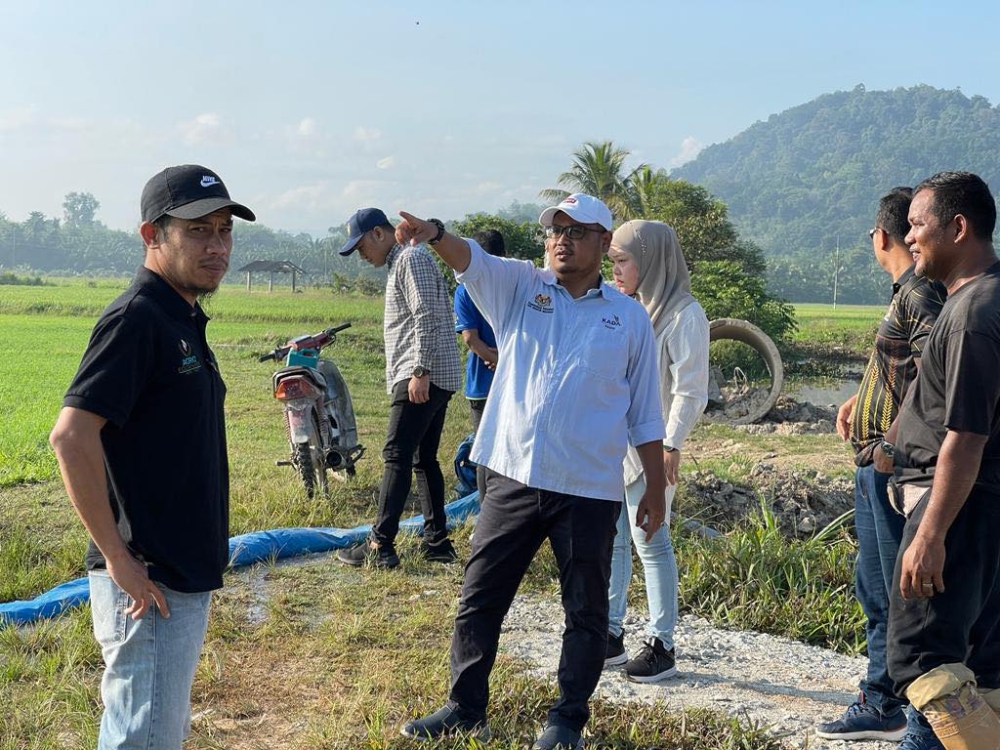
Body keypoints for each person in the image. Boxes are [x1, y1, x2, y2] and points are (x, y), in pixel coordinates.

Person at [396, 194, 667, 750]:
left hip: (589, 488)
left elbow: (644, 412)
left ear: (601, 243)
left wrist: (656, 488)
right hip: (513, 475)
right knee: (481, 595)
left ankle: (566, 721)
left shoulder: (629, 319)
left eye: (575, 231)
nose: (561, 240)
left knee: (586, 611)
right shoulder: (522, 287)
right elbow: (471, 259)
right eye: (554, 231)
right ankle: (465, 706)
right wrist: (436, 233)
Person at [48, 164, 255, 748]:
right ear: (152, 236)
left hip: (178, 572)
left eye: (223, 230)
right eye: (197, 231)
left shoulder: (181, 315)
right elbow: (71, 436)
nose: (216, 245)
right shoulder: (137, 318)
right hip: (149, 579)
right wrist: (119, 558)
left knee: (154, 727)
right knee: (144, 734)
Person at [817, 188, 946, 749]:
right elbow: (894, 368)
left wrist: (889, 444)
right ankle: (885, 694)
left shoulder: (921, 295)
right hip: (875, 465)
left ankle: (902, 701)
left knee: (896, 590)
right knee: (875, 585)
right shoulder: (906, 292)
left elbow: (929, 377)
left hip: (892, 469)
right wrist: (858, 400)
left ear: (880, 236)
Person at [887, 171, 1000, 749]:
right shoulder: (987, 297)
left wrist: (931, 533)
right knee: (985, 662)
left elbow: (966, 436)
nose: (909, 237)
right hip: (983, 505)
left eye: (917, 224)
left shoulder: (974, 311)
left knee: (924, 661)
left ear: (958, 228)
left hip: (959, 503)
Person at [604, 220, 709, 683]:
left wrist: (671, 445)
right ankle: (609, 633)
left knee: (650, 540)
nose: (617, 270)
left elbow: (690, 390)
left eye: (623, 260)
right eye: (613, 262)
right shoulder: (629, 309)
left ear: (650, 260)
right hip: (615, 447)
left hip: (652, 448)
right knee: (613, 541)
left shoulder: (685, 315)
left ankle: (661, 642)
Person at [336, 207, 462, 569]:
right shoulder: (406, 259)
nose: (362, 256)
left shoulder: (409, 259)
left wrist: (419, 371)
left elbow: (426, 316)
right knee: (423, 460)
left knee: (396, 455)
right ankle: (437, 542)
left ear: (379, 233)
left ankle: (380, 546)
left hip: (421, 375)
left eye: (361, 247)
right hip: (430, 374)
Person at [454, 229, 506, 497]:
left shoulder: (464, 291)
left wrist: (495, 360)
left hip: (483, 383)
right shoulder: (513, 283)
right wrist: (503, 361)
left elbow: (471, 339)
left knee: (487, 450)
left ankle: (489, 511)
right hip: (508, 380)